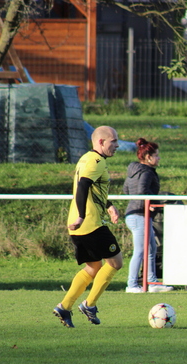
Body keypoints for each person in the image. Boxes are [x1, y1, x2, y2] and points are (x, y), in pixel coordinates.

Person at [53, 126, 123, 328]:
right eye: (113, 141)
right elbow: (82, 186)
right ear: (101, 142)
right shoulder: (97, 161)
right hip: (90, 224)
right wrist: (83, 216)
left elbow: (91, 189)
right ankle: (89, 305)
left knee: (93, 268)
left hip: (77, 224)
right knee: (115, 262)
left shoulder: (85, 158)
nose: (117, 145)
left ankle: (64, 307)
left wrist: (109, 206)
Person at [123, 138, 173, 293]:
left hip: (135, 213)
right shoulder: (146, 172)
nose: (158, 158)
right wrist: (149, 204)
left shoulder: (134, 171)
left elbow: (126, 190)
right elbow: (142, 192)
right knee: (140, 251)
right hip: (139, 215)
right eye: (156, 155)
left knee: (150, 249)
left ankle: (152, 283)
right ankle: (131, 285)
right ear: (147, 157)